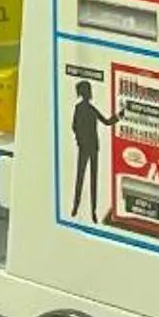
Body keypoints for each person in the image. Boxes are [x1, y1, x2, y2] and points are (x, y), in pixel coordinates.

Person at [68, 73, 107, 224]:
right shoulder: (82, 109)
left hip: (92, 147)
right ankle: (76, 207)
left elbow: (106, 121)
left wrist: (119, 115)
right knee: (83, 177)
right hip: (86, 146)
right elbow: (74, 126)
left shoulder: (91, 109)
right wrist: (80, 139)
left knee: (91, 178)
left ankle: (92, 211)